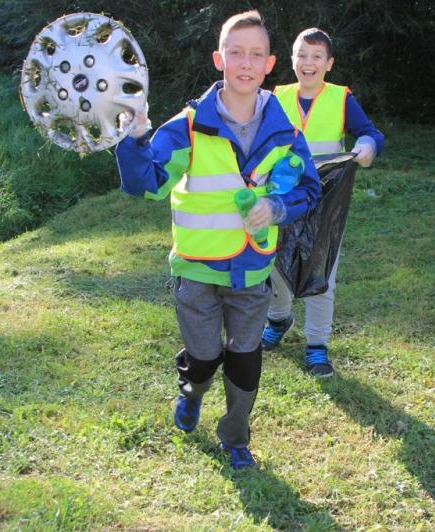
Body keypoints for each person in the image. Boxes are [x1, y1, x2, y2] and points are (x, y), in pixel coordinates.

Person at [114, 11, 320, 469]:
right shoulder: (189, 125)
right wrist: (136, 135)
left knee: (245, 358)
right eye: (236, 53)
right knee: (204, 359)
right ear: (218, 59)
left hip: (252, 269)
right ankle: (191, 393)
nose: (246, 63)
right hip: (197, 270)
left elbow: (308, 189)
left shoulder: (285, 131)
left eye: (256, 54)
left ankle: (235, 438)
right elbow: (146, 184)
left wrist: (277, 208)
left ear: (270, 64)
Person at [262, 28, 385, 378]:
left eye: (316, 56)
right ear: (292, 60)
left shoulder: (341, 98)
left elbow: (371, 133)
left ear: (329, 63)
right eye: (302, 55)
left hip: (327, 201)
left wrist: (367, 147)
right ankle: (278, 319)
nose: (308, 62)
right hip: (283, 198)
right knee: (273, 265)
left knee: (322, 272)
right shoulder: (275, 98)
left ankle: (317, 346)